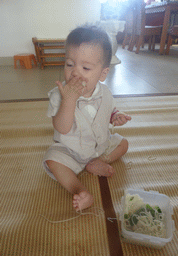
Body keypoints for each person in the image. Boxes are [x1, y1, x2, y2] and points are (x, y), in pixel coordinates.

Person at [43, 25, 131, 211]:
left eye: (85, 67)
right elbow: (62, 128)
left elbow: (107, 110)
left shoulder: (105, 92)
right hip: (70, 150)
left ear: (103, 74)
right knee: (52, 159)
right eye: (69, 64)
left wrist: (116, 116)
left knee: (123, 143)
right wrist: (69, 100)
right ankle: (79, 190)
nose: (75, 72)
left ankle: (98, 163)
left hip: (100, 147)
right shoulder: (59, 96)